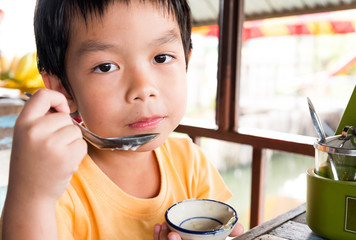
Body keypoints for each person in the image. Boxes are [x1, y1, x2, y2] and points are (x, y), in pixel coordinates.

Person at [0, 0, 244, 239]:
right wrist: (32, 195)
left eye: (162, 58)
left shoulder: (191, 162)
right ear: (64, 90)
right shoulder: (55, 189)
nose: (143, 88)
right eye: (106, 67)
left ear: (186, 62)